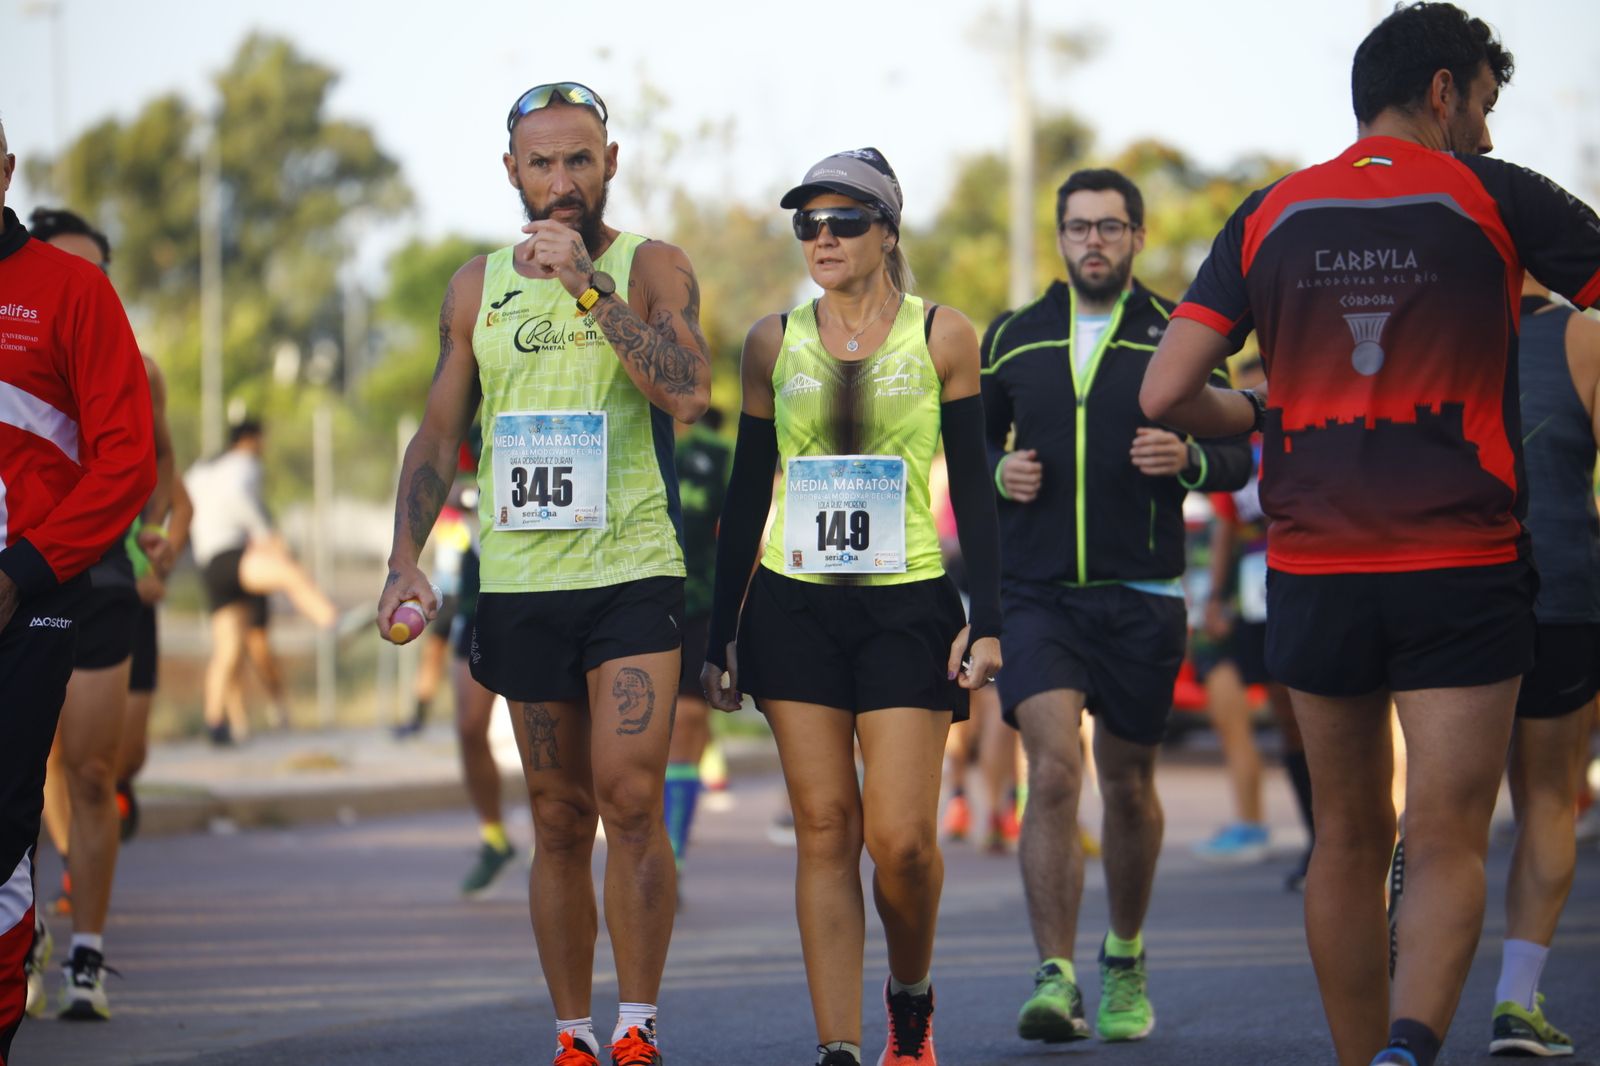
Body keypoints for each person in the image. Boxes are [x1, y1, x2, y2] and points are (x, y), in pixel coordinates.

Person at [1138, 6, 1600, 1064]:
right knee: (1443, 839)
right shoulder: (1495, 194)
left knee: (1346, 836)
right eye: (1482, 104)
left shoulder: (1269, 212)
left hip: (1314, 561)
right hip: (1463, 561)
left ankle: (1359, 1058)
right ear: (1441, 91)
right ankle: (1408, 1046)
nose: (1484, 131)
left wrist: (1260, 414)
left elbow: (1166, 390)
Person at [377, 82, 710, 1066]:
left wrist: (588, 288)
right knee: (558, 816)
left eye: (579, 160)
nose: (560, 181)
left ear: (611, 164)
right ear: (511, 171)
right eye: (541, 162)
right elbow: (441, 431)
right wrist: (405, 555)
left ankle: (637, 1026)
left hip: (632, 571)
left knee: (629, 797)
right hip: (521, 579)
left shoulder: (648, 265)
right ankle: (572, 1034)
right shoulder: (475, 286)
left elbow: (686, 392)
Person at [703, 146, 1004, 1066]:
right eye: (807, 223)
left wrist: (987, 616)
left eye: (844, 222)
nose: (822, 238)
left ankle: (908, 999)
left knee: (903, 841)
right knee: (826, 827)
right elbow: (747, 492)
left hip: (906, 603)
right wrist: (719, 632)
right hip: (793, 606)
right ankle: (837, 1044)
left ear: (887, 231)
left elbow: (980, 490)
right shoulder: (771, 341)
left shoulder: (943, 335)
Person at [981, 167, 1251, 1047]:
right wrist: (994, 472)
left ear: (1137, 236)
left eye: (1109, 226)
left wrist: (1192, 462)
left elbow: (1245, 453)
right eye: (1078, 227)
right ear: (1060, 238)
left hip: (1144, 594)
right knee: (1053, 771)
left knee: (1128, 787)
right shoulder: (1014, 338)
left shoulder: (1182, 332)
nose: (1092, 241)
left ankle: (1124, 957)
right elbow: (972, 437)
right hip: (1039, 596)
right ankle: (1054, 976)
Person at [0, 119, 156, 1060]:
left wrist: (20, 572)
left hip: (34, 599)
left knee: (25, 818)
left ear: (7, 170)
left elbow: (130, 459)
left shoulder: (71, 291)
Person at [26, 207, 180, 1021]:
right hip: (19, 579)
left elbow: (169, 486)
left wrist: (167, 538)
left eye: (95, 272)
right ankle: (26, 931)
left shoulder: (136, 366)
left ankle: (86, 953)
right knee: (35, 767)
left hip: (102, 579)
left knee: (94, 770)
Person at [1486, 276, 1600, 1057]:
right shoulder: (1583, 338)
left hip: (1444, 595)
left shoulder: (1422, 325)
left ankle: (1405, 1005)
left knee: (1439, 812)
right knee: (1548, 800)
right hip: (1560, 588)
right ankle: (1514, 1000)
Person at [1190, 356, 1313, 878]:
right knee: (1289, 719)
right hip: (1257, 594)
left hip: (1311, 583)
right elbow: (1224, 526)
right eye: (1244, 401)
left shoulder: (1308, 438)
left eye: (1258, 397)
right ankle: (1317, 841)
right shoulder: (1237, 456)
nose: (1252, 408)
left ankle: (1358, 836)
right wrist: (1215, 596)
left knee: (1319, 713)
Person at [185, 419, 337, 745]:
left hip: (208, 564)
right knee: (290, 572)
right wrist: (268, 535)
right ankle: (333, 624)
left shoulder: (202, 469)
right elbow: (241, 499)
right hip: (232, 554)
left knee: (227, 650)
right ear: (250, 440)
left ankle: (215, 723)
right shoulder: (245, 465)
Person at [663, 407, 730, 876]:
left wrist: (740, 612)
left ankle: (673, 856)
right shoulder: (613, 433)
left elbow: (742, 534)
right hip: (626, 599)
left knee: (686, 721)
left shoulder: (717, 456)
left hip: (699, 603)